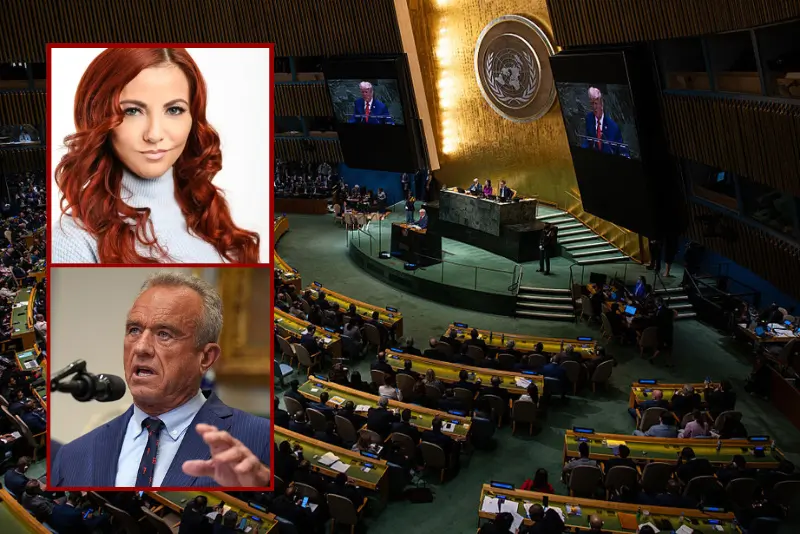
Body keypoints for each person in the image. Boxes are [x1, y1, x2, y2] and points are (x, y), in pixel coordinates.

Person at [52, 272, 271, 487]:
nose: (141, 347)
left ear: (205, 357)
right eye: (134, 330)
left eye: (164, 334)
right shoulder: (73, 456)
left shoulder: (259, 441)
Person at [52, 47, 260, 263]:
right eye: (132, 111)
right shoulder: (73, 239)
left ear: (193, 118)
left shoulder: (210, 208)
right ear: (96, 117)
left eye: (174, 110)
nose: (154, 134)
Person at [580, 86, 628, 157]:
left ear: (601, 104)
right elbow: (587, 140)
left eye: (596, 103)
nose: (594, 107)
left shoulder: (613, 127)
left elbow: (623, 152)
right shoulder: (589, 119)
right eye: (592, 103)